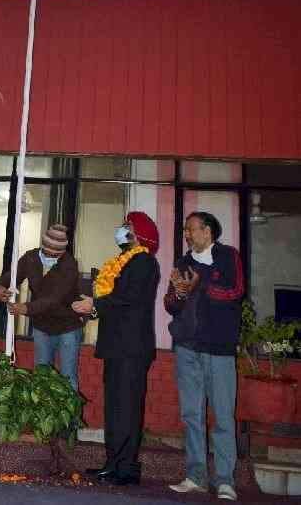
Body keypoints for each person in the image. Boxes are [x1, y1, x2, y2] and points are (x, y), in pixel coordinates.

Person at [72, 211, 160, 487]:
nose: (122, 230)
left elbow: (128, 298)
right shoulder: (123, 262)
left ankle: (127, 469)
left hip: (131, 347)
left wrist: (95, 305)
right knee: (115, 407)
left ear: (140, 234)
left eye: (128, 226)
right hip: (117, 346)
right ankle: (113, 463)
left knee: (128, 407)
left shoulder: (144, 261)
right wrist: (94, 303)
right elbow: (115, 299)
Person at [165, 211, 243, 502]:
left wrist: (201, 285)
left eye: (191, 229)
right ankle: (196, 477)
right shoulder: (182, 263)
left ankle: (225, 481)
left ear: (208, 231)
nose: (187, 234)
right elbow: (170, 304)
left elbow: (234, 292)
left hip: (219, 349)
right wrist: (180, 294)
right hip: (187, 347)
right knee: (191, 415)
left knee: (223, 416)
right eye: (185, 230)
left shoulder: (228, 256)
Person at [0, 223, 83, 391]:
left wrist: (26, 308)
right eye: (47, 252)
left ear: (63, 252)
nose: (51, 257)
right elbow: (10, 278)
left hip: (68, 328)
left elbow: (54, 299)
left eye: (56, 254)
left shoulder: (69, 264)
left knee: (68, 380)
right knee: (41, 379)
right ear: (42, 245)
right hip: (41, 327)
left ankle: (72, 419)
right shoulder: (31, 258)